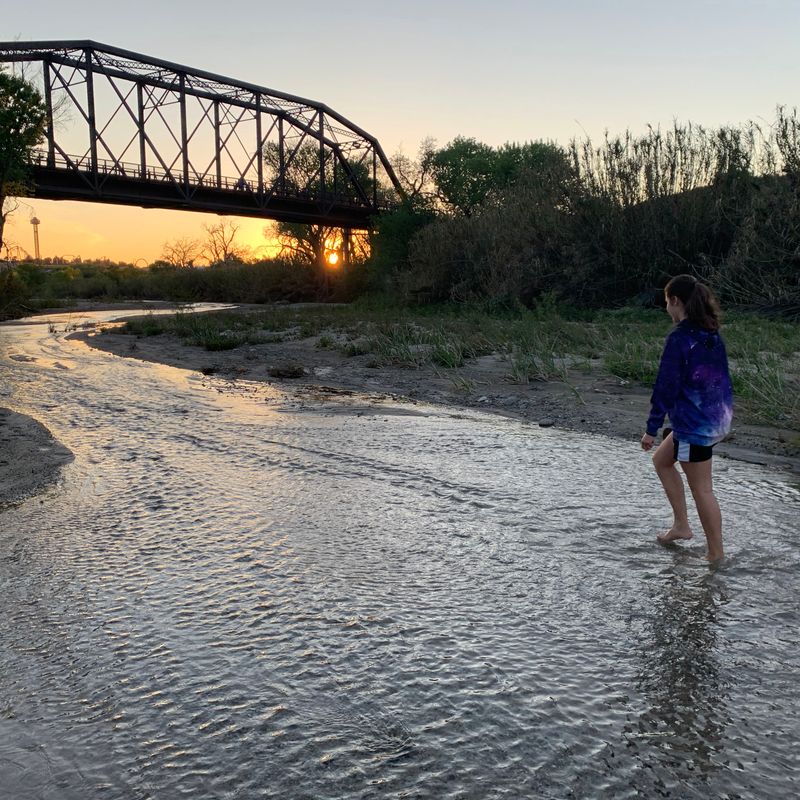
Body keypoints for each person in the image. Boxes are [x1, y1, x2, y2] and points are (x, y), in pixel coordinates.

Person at [640, 274, 733, 562]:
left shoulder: (680, 338)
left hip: (696, 426)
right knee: (662, 461)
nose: (666, 308)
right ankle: (681, 526)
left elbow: (666, 385)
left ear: (675, 301)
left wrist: (652, 428)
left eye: (666, 302)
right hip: (714, 418)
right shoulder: (710, 332)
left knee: (703, 489)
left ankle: (716, 555)